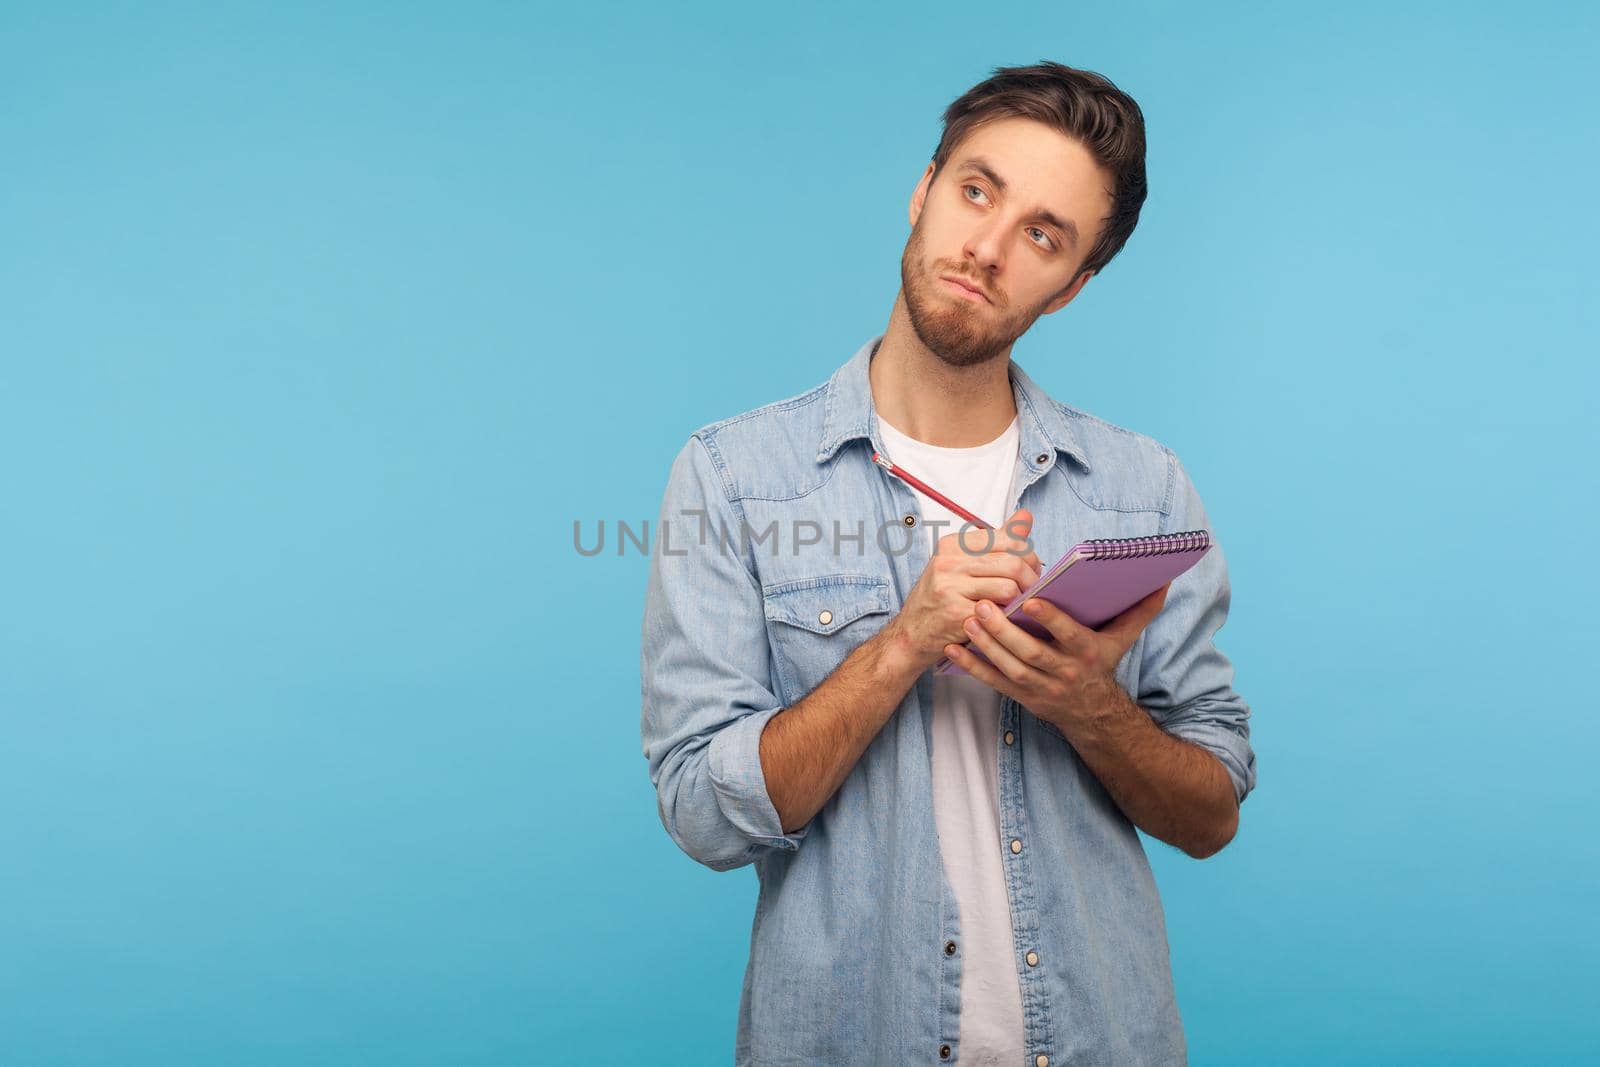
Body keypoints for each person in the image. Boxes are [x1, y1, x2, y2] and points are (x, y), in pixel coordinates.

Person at [640, 60, 1256, 1067]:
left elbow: (1211, 814)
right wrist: (903, 644)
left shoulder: (1141, 486)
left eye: (1043, 235)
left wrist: (1086, 702)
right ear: (923, 191)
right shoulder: (732, 475)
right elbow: (703, 816)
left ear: (1072, 287)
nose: (987, 247)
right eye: (977, 191)